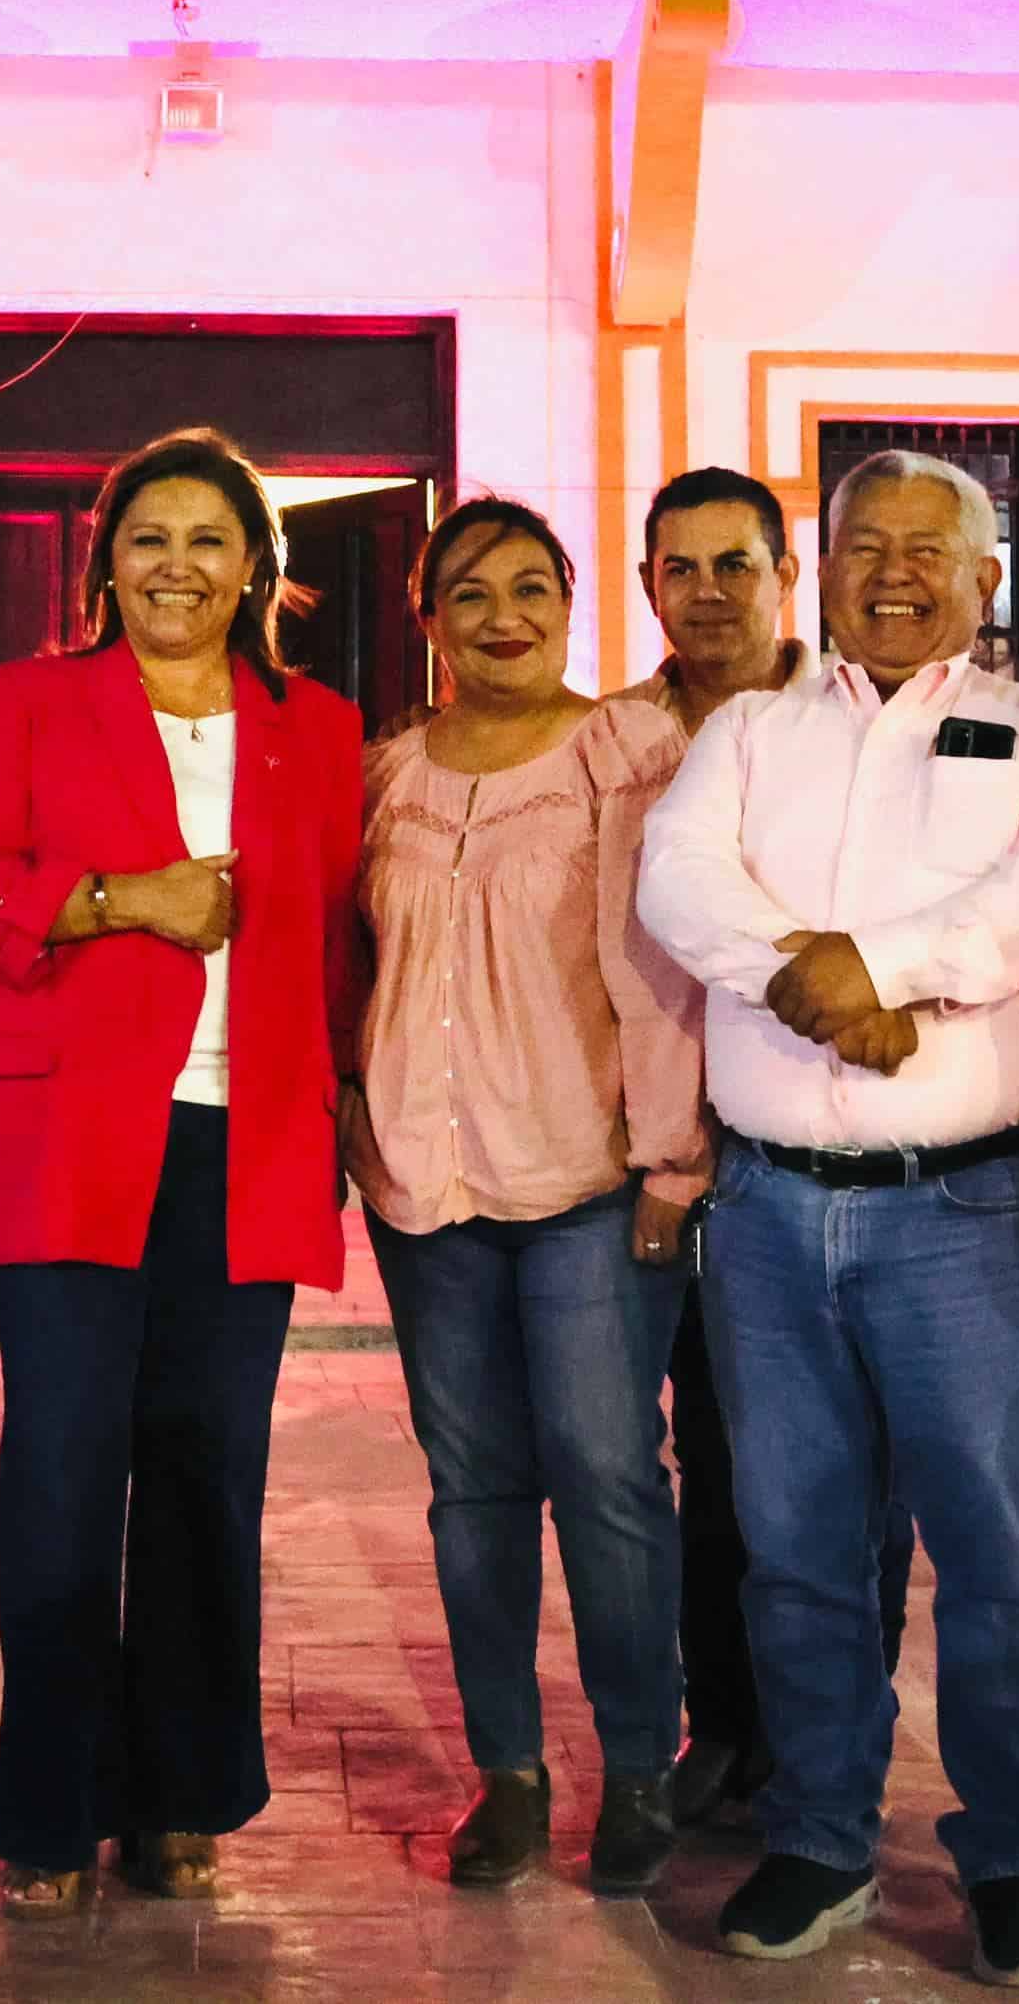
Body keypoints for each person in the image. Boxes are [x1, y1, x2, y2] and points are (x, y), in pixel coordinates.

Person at [637, 449, 1019, 1988]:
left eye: (934, 548)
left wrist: (881, 969)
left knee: (998, 1549)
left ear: (987, 579)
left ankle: (1018, 1852)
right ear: (821, 568)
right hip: (771, 1213)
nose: (896, 571)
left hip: (966, 1208)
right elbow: (677, 883)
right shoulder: (754, 732)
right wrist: (822, 979)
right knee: (796, 1546)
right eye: (864, 545)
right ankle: (825, 1829)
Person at [0, 429, 366, 1917]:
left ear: (257, 564)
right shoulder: (32, 700)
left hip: (247, 1143)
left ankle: (182, 1791)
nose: (175, 564)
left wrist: (343, 1113)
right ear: (103, 560)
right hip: (72, 1136)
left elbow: (336, 936)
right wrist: (121, 899)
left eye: (208, 538)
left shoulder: (318, 723)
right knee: (59, 1474)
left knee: (204, 1471)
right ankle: (51, 1804)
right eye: (146, 538)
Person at [355, 497, 708, 1895]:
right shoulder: (387, 769)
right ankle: (507, 1767)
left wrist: (678, 1154)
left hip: (586, 1170)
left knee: (610, 1478)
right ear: (425, 614)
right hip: (421, 1177)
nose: (503, 614)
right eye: (469, 591)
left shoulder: (632, 749)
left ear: (571, 602)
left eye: (531, 588)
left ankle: (639, 1764)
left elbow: (682, 963)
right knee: (472, 1492)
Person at [621, 465, 909, 1835]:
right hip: (659, 1159)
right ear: (647, 589)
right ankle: (727, 1725)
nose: (710, 591)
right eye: (681, 568)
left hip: (820, 1147)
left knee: (849, 1469)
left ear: (785, 575)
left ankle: (838, 1735)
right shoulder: (614, 741)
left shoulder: (856, 726)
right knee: (712, 1462)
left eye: (736, 563)